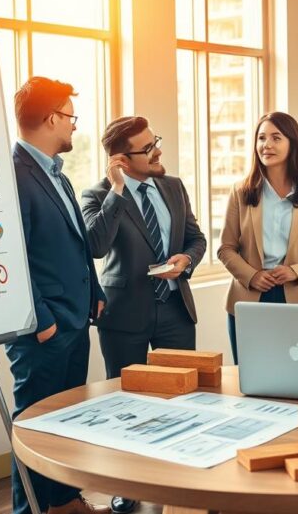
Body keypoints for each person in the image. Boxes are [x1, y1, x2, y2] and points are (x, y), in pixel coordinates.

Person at [7, 77, 110, 514]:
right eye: (70, 117)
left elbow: (77, 243)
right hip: (44, 329)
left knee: (67, 421)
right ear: (51, 118)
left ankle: (64, 499)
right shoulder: (12, 173)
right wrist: (43, 320)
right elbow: (12, 257)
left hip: (74, 319)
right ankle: (28, 508)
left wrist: (95, 289)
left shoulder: (56, 174)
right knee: (34, 427)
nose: (74, 127)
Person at [81, 116, 207, 378]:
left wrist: (186, 259)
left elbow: (196, 239)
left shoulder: (174, 186)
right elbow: (96, 246)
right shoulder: (98, 196)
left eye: (155, 142)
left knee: (183, 391)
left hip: (176, 309)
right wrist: (117, 189)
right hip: (125, 315)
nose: (158, 151)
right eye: (148, 148)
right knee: (126, 398)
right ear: (121, 161)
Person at [217, 111, 298, 364]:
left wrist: (295, 271)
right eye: (261, 138)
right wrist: (252, 276)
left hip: (297, 296)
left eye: (276, 138)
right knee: (250, 377)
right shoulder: (241, 191)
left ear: (292, 143)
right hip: (249, 296)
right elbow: (225, 248)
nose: (267, 145)